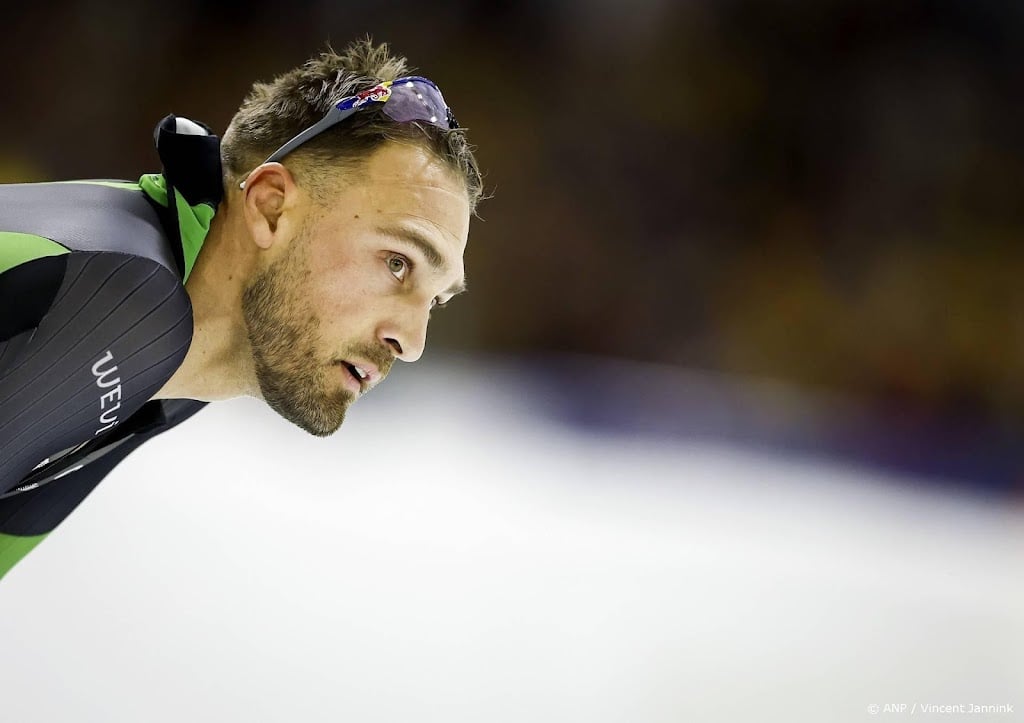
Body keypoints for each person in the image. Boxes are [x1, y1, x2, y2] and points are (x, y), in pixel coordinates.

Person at [0, 39, 484, 580]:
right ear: (271, 208)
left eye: (436, 300)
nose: (413, 342)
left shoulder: (178, 376)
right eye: (398, 263)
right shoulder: (123, 298)